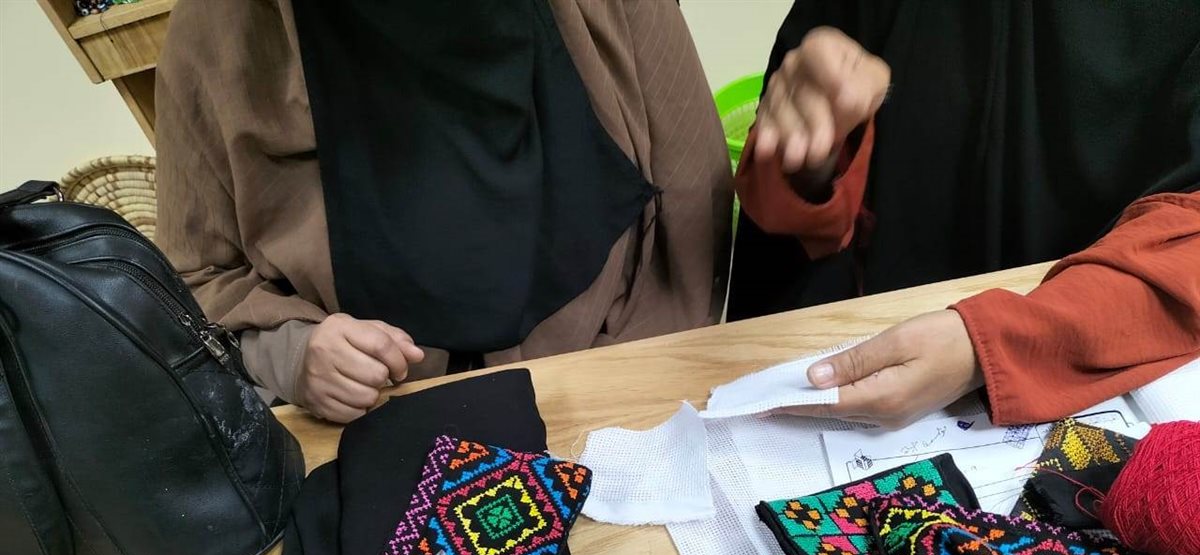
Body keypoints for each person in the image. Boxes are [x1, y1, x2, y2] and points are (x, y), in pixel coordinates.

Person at [156, 0, 732, 423]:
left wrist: (639, 384)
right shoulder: (222, 31)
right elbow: (192, 283)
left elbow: (691, 201)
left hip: (624, 368)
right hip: (374, 420)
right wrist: (294, 353)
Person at [730, 5, 1200, 427]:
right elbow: (778, 212)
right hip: (854, 359)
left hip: (1095, 380)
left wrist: (992, 345)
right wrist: (812, 148)